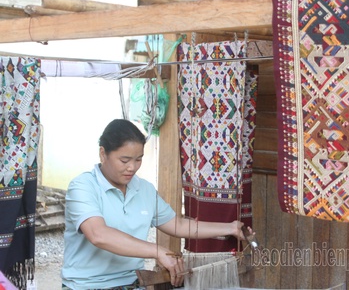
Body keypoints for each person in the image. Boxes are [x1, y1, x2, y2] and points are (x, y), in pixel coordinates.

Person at [61, 119, 248, 289]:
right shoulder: (83, 187)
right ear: (103, 153)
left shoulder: (144, 190)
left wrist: (230, 228)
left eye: (138, 159)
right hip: (85, 286)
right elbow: (98, 234)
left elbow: (179, 225)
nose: (132, 167)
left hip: (133, 283)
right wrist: (157, 252)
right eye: (124, 160)